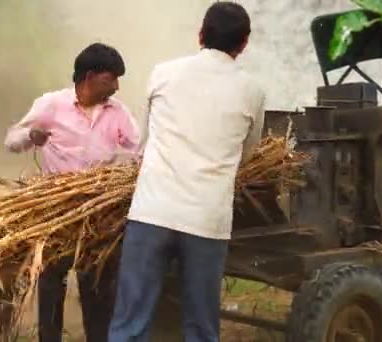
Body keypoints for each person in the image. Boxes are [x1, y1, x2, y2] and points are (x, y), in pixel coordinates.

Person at [108, 2, 265, 342]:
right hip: (206, 221)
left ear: (200, 35)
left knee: (129, 324)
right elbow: (248, 152)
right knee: (200, 328)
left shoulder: (163, 72)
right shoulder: (252, 91)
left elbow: (145, 140)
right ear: (243, 44)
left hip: (153, 210)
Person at [5, 42, 141, 342]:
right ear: (89, 76)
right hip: (56, 213)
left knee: (98, 291)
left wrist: (124, 165)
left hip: (100, 214)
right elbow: (11, 140)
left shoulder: (118, 113)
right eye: (111, 78)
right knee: (52, 285)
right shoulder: (52, 104)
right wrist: (31, 135)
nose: (117, 87)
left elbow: (139, 152)